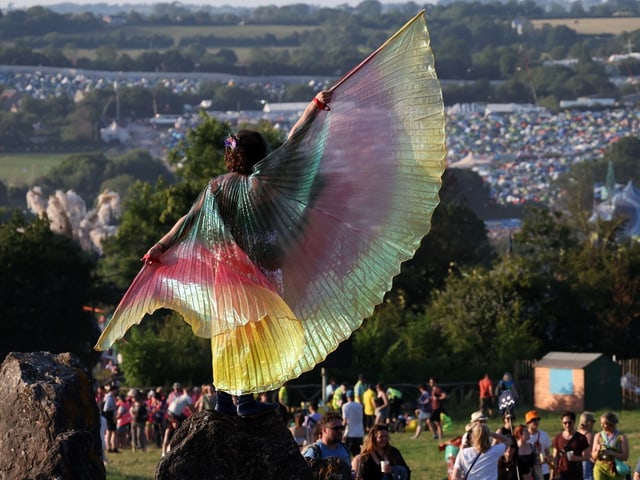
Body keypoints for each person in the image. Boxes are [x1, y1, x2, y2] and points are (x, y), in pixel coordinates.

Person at [552, 411, 590, 480]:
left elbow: (587, 456)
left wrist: (576, 458)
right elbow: (555, 457)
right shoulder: (558, 438)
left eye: (569, 422)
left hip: (576, 474)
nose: (567, 425)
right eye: (565, 423)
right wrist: (552, 473)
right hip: (561, 474)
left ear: (574, 422)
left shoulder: (581, 438)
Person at [591, 412, 629, 480]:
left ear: (611, 424)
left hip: (615, 469)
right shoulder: (598, 436)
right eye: (601, 423)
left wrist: (611, 453)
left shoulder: (621, 437)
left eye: (604, 423)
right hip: (600, 468)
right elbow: (593, 457)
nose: (602, 425)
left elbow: (625, 457)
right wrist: (598, 451)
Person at [526, 410, 552, 480]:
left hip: (544, 470)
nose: (536, 422)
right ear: (528, 422)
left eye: (537, 420)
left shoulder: (544, 435)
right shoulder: (524, 437)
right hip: (530, 471)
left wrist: (548, 457)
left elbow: (547, 452)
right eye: (533, 420)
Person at [342, 390, 365, 457]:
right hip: (359, 433)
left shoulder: (345, 406)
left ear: (347, 397)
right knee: (358, 455)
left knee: (347, 455)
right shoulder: (360, 405)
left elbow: (345, 420)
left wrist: (343, 432)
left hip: (350, 433)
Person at [578, 412, 596, 480]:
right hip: (587, 461)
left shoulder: (576, 433)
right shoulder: (590, 435)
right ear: (588, 422)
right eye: (593, 421)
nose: (593, 424)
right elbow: (591, 451)